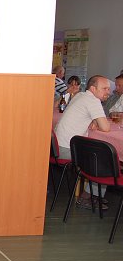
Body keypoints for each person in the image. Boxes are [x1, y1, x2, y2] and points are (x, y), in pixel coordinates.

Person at [54, 75, 111, 209]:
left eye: (108, 89)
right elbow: (105, 127)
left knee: (100, 154)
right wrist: (96, 121)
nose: (108, 92)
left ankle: (95, 195)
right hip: (66, 149)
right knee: (105, 159)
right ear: (93, 89)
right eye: (104, 88)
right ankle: (87, 197)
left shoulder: (81, 96)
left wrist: (94, 120)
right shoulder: (92, 101)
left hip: (56, 146)